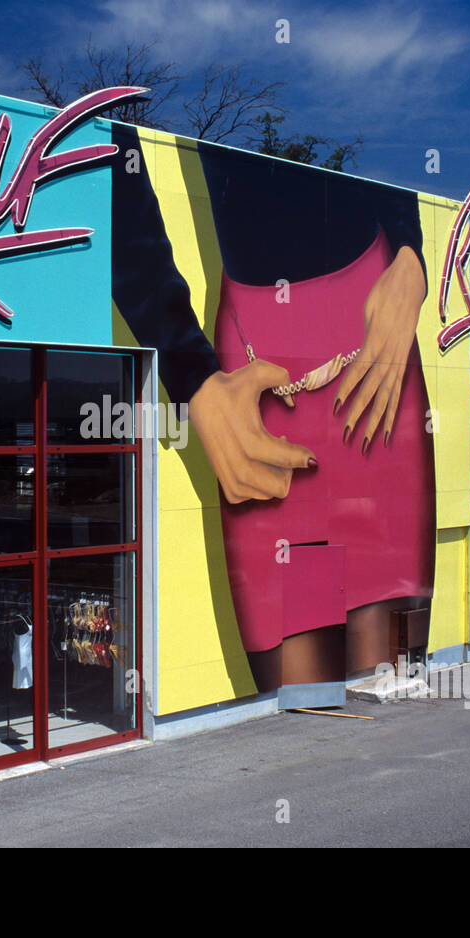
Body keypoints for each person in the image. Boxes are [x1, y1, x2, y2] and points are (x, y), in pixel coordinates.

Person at [112, 128, 436, 691]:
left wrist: (411, 257)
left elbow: (391, 128)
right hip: (257, 396)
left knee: (393, 700)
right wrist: (190, 374)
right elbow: (113, 143)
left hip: (375, 370)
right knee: (305, 714)